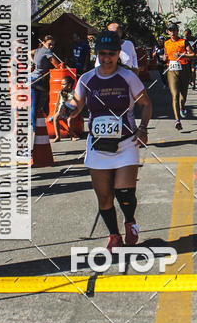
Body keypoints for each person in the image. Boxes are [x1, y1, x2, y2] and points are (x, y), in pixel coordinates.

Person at [69, 29, 152, 252]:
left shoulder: (128, 78)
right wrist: (65, 110)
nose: (107, 59)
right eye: (103, 53)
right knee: (104, 197)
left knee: (124, 192)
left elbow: (146, 105)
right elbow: (76, 107)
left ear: (118, 55)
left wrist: (143, 129)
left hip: (126, 144)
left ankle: (129, 220)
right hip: (97, 147)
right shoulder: (86, 79)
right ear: (97, 54)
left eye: (112, 54)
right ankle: (114, 235)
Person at [162, 22, 194, 131]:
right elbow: (166, 55)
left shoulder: (183, 42)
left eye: (174, 30)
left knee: (183, 96)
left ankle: (182, 106)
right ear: (168, 32)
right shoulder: (166, 43)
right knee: (174, 95)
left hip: (184, 70)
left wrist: (183, 55)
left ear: (177, 31)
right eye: (170, 30)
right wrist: (164, 58)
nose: (172, 32)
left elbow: (193, 54)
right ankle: (177, 120)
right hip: (171, 70)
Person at [30, 34, 60, 127]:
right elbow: (57, 65)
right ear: (43, 42)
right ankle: (48, 116)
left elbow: (28, 52)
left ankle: (35, 127)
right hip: (38, 80)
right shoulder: (47, 51)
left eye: (53, 45)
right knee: (50, 95)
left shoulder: (38, 50)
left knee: (34, 105)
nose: (51, 46)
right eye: (49, 44)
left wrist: (32, 62)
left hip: (32, 79)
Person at [49, 76, 78, 142]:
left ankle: (72, 136)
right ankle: (58, 136)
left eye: (63, 84)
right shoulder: (61, 92)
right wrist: (55, 112)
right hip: (61, 110)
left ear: (69, 85)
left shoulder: (74, 93)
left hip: (70, 110)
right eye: (61, 84)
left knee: (70, 119)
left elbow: (77, 103)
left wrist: (76, 111)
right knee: (55, 118)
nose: (62, 85)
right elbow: (57, 103)